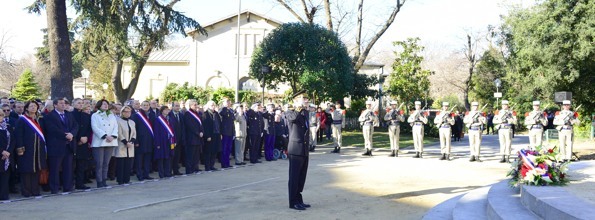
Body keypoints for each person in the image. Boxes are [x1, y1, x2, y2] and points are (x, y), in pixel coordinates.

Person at [43, 98, 79, 194]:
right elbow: (52, 129)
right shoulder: (50, 116)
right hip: (56, 146)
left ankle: (68, 187)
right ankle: (54, 188)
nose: (63, 105)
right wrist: (65, 135)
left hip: (69, 146)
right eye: (61, 103)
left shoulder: (69, 114)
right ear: (55, 105)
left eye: (64, 103)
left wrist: (72, 134)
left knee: (68, 168)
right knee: (55, 168)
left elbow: (75, 126)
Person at [14, 101, 47, 197]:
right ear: (27, 108)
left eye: (35, 106)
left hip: (37, 149)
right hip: (26, 149)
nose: (33, 108)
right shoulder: (22, 120)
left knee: (36, 169)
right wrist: (20, 148)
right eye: (31, 106)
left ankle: (35, 190)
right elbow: (18, 135)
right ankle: (26, 191)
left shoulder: (38, 119)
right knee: (26, 170)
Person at [285, 96, 311, 211]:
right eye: (304, 100)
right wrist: (298, 107)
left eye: (306, 100)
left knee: (301, 177)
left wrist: (303, 109)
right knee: (294, 177)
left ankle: (299, 199)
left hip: (304, 148)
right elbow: (294, 119)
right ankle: (292, 201)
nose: (306, 102)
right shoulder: (290, 112)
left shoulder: (304, 113)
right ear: (295, 102)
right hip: (295, 149)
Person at [90, 99, 119, 188]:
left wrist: (113, 136)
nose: (105, 105)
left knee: (106, 163)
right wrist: (105, 136)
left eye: (106, 104)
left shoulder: (111, 115)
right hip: (99, 141)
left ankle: (104, 179)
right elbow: (95, 127)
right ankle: (99, 181)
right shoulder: (95, 115)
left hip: (110, 141)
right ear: (99, 106)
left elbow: (115, 127)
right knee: (99, 163)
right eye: (103, 104)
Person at [71, 99, 92, 190]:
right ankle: (69, 183)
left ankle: (80, 183)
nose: (81, 104)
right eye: (78, 103)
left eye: (82, 103)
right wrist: (79, 138)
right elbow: (72, 128)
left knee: (81, 165)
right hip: (73, 142)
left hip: (84, 142)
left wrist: (86, 137)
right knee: (71, 165)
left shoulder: (86, 115)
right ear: (73, 104)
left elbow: (89, 128)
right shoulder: (70, 115)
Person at [132, 101, 154, 181]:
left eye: (147, 105)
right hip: (140, 141)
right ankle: (139, 175)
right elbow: (134, 130)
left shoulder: (152, 115)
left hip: (149, 141)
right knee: (139, 160)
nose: (145, 106)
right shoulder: (136, 116)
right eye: (144, 105)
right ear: (141, 106)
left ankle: (146, 174)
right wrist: (136, 141)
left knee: (147, 159)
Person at [115, 106, 136, 184]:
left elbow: (134, 133)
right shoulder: (118, 121)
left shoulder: (132, 122)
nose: (128, 113)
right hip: (122, 144)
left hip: (130, 145)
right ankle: (120, 180)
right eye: (126, 112)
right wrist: (125, 142)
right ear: (122, 112)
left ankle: (127, 179)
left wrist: (131, 141)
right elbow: (119, 133)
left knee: (128, 163)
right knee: (121, 163)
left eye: (129, 112)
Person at [153, 106, 174, 178]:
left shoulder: (169, 119)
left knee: (168, 157)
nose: (167, 111)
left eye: (168, 110)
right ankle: (161, 174)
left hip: (169, 141)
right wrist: (157, 143)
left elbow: (172, 130)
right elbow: (156, 132)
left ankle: (167, 172)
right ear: (162, 111)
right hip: (161, 141)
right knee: (161, 158)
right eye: (165, 110)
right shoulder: (158, 119)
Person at [184, 99, 204, 174]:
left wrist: (202, 131)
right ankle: (189, 169)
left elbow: (200, 124)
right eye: (194, 105)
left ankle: (195, 167)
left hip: (198, 137)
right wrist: (198, 133)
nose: (196, 106)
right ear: (190, 105)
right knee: (190, 154)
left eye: (196, 104)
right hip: (191, 137)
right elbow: (190, 126)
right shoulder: (187, 114)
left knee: (196, 154)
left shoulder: (197, 113)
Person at [202, 101, 222, 171]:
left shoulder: (216, 114)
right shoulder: (205, 114)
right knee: (208, 152)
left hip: (216, 134)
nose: (213, 106)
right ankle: (207, 166)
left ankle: (212, 165)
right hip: (210, 135)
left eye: (214, 105)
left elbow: (219, 124)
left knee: (214, 151)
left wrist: (220, 133)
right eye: (211, 105)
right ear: (208, 106)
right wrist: (207, 136)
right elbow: (205, 126)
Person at [169, 102, 185, 175]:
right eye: (176, 106)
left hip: (179, 139)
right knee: (171, 155)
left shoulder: (181, 115)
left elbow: (183, 127)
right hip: (172, 140)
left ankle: (176, 170)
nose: (178, 107)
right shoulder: (169, 115)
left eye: (178, 106)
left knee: (177, 156)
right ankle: (169, 170)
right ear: (172, 107)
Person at [218, 98, 235, 168]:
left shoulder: (230, 111)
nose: (228, 103)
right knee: (224, 149)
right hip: (224, 132)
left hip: (230, 132)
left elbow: (232, 122)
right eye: (227, 102)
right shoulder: (222, 109)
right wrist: (224, 106)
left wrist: (233, 132)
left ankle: (227, 163)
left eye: (229, 102)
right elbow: (222, 114)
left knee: (228, 148)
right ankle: (223, 163)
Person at [0, 108, 10, 200]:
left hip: (7, 156)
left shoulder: (7, 126)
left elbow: (13, 140)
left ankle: (4, 195)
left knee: (5, 176)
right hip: (1, 153)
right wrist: (2, 151)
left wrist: (8, 151)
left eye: (1, 115)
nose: (0, 117)